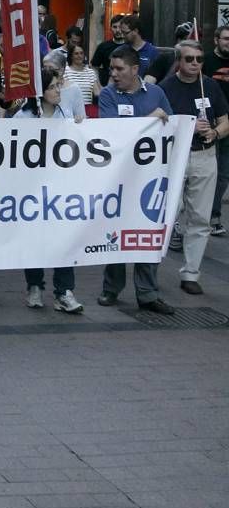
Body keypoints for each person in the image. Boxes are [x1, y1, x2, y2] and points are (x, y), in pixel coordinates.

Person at [97, 45, 174, 314]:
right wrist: (150, 120)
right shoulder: (107, 95)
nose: (114, 74)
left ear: (134, 69)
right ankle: (111, 289)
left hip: (149, 177)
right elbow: (113, 133)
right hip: (118, 177)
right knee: (117, 234)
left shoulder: (156, 93)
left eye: (119, 69)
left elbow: (171, 127)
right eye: (111, 68)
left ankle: (148, 293)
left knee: (146, 233)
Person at [159, 41, 228, 295]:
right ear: (179, 60)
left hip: (204, 155)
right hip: (176, 156)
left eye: (199, 59)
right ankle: (152, 266)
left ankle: (191, 273)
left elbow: (224, 120)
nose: (195, 64)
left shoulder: (209, 85)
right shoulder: (166, 88)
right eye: (189, 59)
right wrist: (186, 126)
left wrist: (215, 132)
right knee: (168, 213)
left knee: (200, 217)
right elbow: (158, 124)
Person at [18, 68, 84, 314]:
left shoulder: (65, 114)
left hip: (61, 191)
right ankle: (34, 286)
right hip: (32, 191)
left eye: (59, 86)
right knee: (35, 240)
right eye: (53, 87)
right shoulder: (23, 118)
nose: (58, 91)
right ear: (40, 92)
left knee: (63, 241)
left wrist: (79, 128)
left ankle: (64, 291)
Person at [203, 24, 229, 236]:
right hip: (210, 123)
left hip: (227, 125)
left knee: (223, 174)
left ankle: (214, 215)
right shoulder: (205, 62)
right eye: (226, 39)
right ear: (216, 40)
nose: (228, 43)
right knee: (205, 173)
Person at [91, 15, 124, 87]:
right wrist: (99, 86)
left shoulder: (130, 46)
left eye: (120, 27)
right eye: (115, 27)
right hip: (107, 87)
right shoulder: (103, 47)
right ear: (111, 28)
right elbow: (94, 67)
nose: (118, 30)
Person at [63, 44, 100, 108]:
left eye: (81, 53)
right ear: (71, 56)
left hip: (87, 109)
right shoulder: (65, 71)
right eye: (76, 54)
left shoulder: (90, 72)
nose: (79, 56)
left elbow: (97, 93)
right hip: (70, 108)